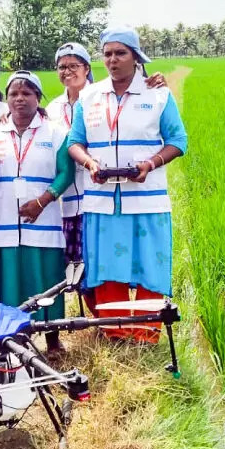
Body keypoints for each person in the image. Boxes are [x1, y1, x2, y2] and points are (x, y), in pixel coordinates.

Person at [67, 27, 188, 344]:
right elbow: (74, 142)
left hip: (146, 199)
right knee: (108, 268)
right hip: (102, 200)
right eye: (107, 53)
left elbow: (178, 141)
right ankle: (116, 334)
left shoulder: (158, 95)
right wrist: (90, 163)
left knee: (149, 265)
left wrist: (150, 164)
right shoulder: (89, 97)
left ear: (136, 57)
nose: (112, 59)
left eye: (120, 53)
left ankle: (145, 335)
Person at [47, 42, 168, 314]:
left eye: (74, 66)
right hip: (69, 200)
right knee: (76, 265)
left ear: (87, 68)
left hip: (100, 197)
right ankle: (105, 321)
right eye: (62, 67)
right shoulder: (51, 109)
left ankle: (112, 321)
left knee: (98, 264)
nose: (68, 72)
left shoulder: (103, 95)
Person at [0, 71, 74, 356]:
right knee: (9, 281)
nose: (20, 99)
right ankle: (11, 342)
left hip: (44, 220)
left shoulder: (57, 133)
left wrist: (43, 200)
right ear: (6, 99)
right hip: (4, 222)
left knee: (45, 280)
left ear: (38, 98)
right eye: (13, 93)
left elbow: (66, 173)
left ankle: (51, 339)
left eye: (27, 93)